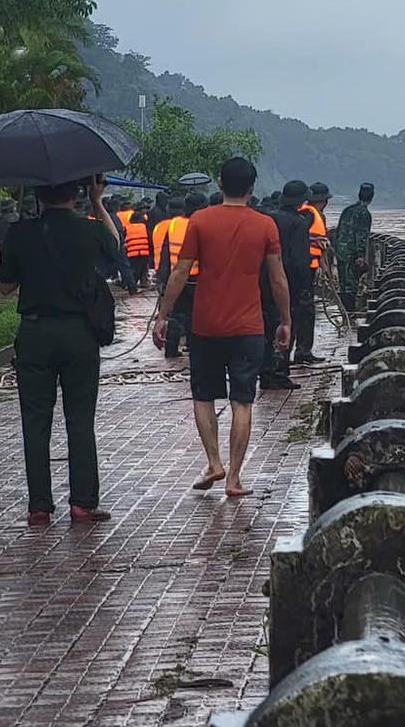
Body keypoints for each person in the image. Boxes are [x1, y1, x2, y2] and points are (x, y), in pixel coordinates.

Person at [156, 158, 289, 498]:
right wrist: (286, 320)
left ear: (219, 183)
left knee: (203, 396)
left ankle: (214, 462)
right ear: (252, 187)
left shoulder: (199, 221)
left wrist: (164, 314)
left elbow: (181, 272)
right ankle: (234, 479)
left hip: (206, 326)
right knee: (242, 402)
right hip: (248, 327)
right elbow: (277, 279)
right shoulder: (265, 226)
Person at [0, 175, 120, 525]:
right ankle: (82, 502)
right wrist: (98, 202)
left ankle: (39, 506)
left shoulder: (20, 233)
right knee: (80, 419)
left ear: (38, 194)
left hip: (35, 332)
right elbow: (115, 247)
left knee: (36, 421)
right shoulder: (90, 229)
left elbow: (4, 287)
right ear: (77, 193)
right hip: (79, 334)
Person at [259, 181, 315, 391]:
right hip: (287, 282)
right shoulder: (298, 223)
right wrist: (304, 289)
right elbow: (301, 261)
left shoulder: (268, 218)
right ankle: (279, 373)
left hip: (264, 280)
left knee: (266, 328)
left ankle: (265, 373)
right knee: (285, 324)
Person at [152, 196, 200, 359]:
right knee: (196, 316)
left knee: (176, 314)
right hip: (197, 279)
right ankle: (194, 349)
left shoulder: (173, 224)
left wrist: (163, 278)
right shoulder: (200, 225)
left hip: (176, 277)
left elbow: (166, 252)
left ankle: (171, 349)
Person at [294, 183, 331, 364]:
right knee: (305, 310)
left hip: (308, 265)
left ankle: (300, 349)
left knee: (301, 309)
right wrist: (318, 241)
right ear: (323, 201)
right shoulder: (309, 214)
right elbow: (300, 236)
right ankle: (303, 351)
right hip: (305, 266)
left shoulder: (305, 212)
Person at [334, 182, 374, 316]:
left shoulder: (347, 210)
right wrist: (361, 256)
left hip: (341, 253)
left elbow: (338, 232)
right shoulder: (365, 214)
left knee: (343, 284)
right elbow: (361, 237)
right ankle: (350, 315)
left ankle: (344, 315)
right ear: (372, 197)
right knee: (351, 287)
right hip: (352, 255)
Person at [123, 202, 153, 290]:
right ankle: (143, 283)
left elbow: (123, 240)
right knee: (143, 269)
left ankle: (130, 284)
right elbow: (150, 240)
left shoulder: (127, 228)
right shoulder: (144, 227)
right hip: (144, 252)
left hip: (131, 253)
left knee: (133, 269)